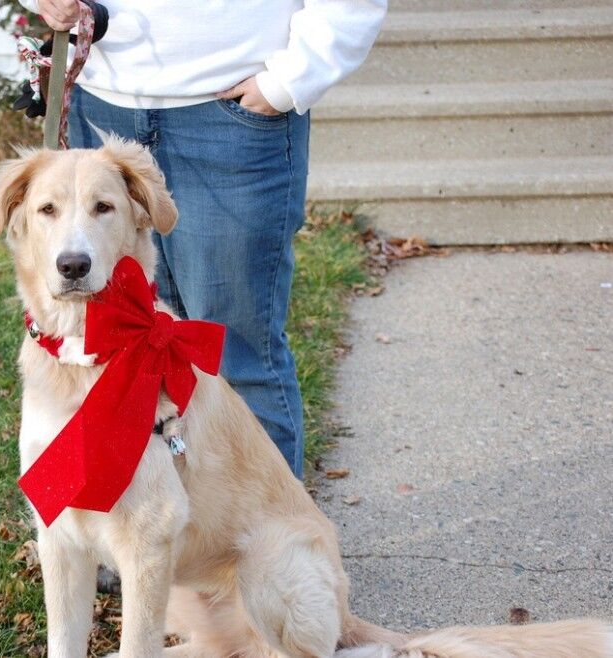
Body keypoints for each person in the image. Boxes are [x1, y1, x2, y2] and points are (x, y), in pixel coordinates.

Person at [20, 0, 386, 479]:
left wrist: (289, 81)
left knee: (233, 356)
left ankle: (267, 545)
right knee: (120, 356)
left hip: (227, 117)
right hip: (104, 103)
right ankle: (153, 541)